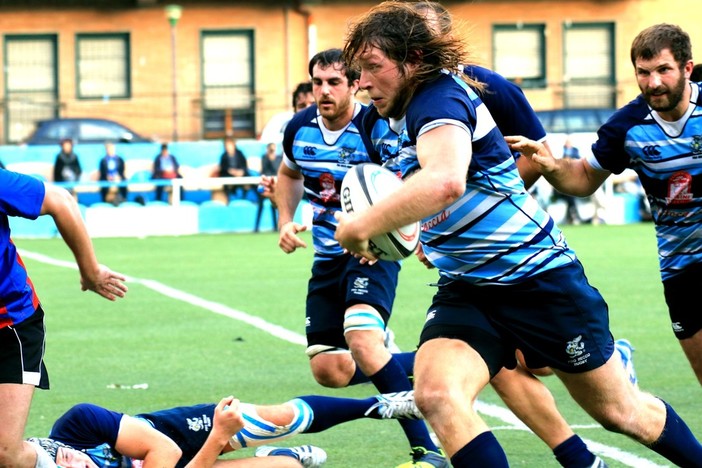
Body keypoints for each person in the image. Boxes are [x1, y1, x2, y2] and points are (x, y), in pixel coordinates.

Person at [338, 4, 702, 467]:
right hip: (468, 287)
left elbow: (445, 179)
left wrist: (361, 225)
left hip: (539, 280)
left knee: (620, 412)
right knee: (437, 395)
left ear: (411, 60)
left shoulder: (442, 99)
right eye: (359, 70)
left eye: (372, 68)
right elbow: (409, 186)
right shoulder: (376, 120)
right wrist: (419, 234)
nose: (362, 82)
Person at [275, 48, 447, 467]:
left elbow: (411, 181)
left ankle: (428, 450)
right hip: (327, 254)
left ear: (355, 85)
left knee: (363, 342)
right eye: (317, 82)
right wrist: (285, 219)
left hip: (373, 251)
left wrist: (409, 236)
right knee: (330, 371)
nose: (323, 91)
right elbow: (289, 174)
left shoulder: (375, 126)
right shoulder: (298, 129)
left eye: (334, 82)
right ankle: (456, 359)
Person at [507, 23, 702, 388]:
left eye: (663, 70)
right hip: (681, 265)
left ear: (687, 68)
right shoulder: (625, 127)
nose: (653, 83)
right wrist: (550, 167)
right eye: (643, 73)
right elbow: (582, 178)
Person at [0, 169, 128, 467]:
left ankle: (51, 456)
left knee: (6, 454)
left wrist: (91, 270)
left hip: (11, 325)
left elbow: (60, 201)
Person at [26, 391, 420, 468]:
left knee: (279, 419)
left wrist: (217, 433)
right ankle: (284, 459)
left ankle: (380, 407)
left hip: (172, 437)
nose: (71, 460)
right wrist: (218, 439)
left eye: (54, 453)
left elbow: (165, 451)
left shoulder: (77, 424)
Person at [254, 142, 282, 232]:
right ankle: (256, 227)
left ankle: (276, 227)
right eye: (270, 149)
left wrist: (273, 159)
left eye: (273, 149)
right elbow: (264, 171)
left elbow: (277, 171)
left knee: (274, 205)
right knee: (260, 205)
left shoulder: (278, 158)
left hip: (275, 185)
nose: (272, 151)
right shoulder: (264, 158)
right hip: (265, 185)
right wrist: (269, 159)